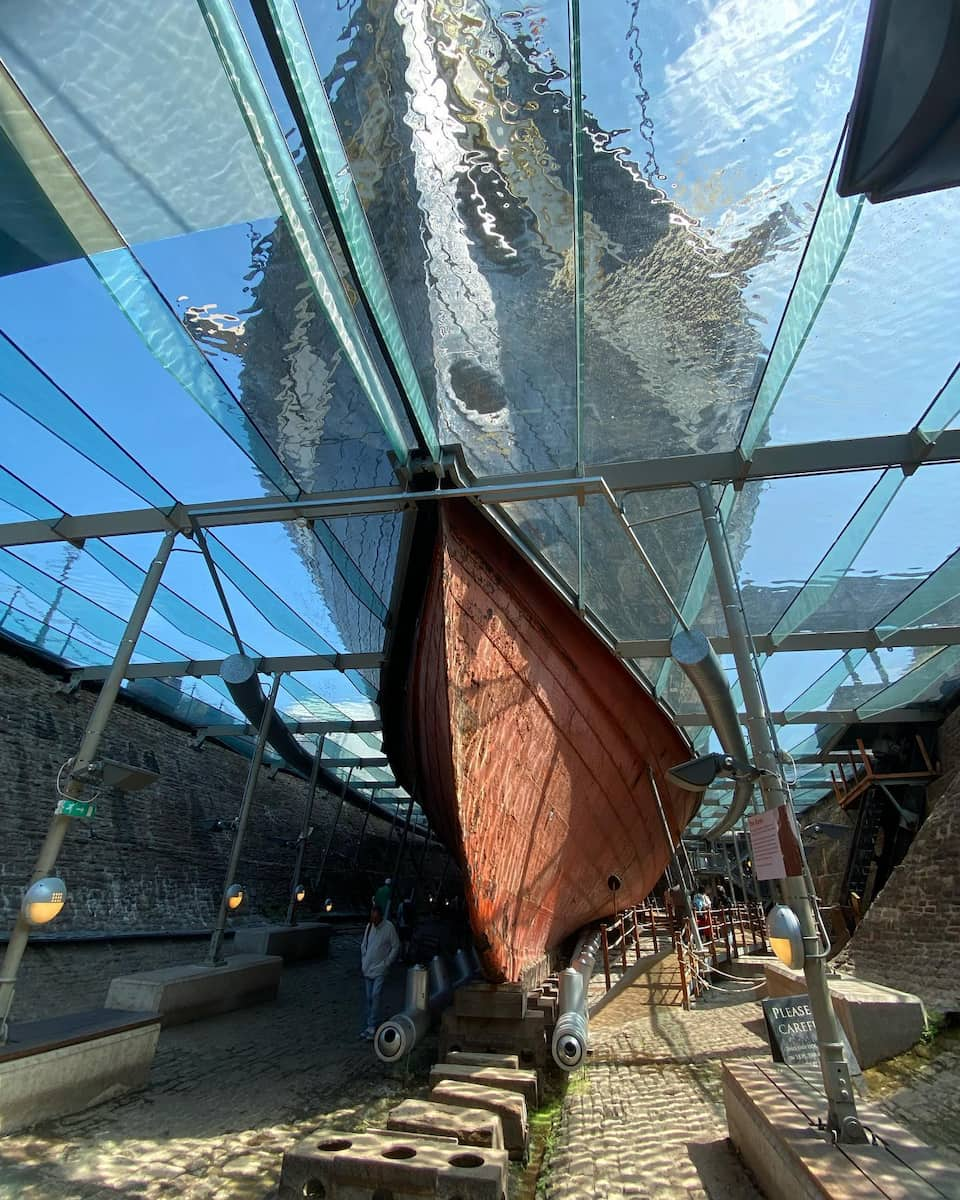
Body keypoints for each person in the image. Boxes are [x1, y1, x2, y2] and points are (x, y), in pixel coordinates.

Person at [359, 903, 399, 1040]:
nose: (373, 921)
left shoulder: (389, 928)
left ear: (381, 917)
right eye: (372, 918)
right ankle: (371, 1023)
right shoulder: (369, 926)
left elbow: (395, 946)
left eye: (375, 918)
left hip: (380, 969)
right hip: (367, 968)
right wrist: (364, 959)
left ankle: (372, 1026)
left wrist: (387, 963)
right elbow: (364, 944)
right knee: (369, 998)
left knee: (375, 995)